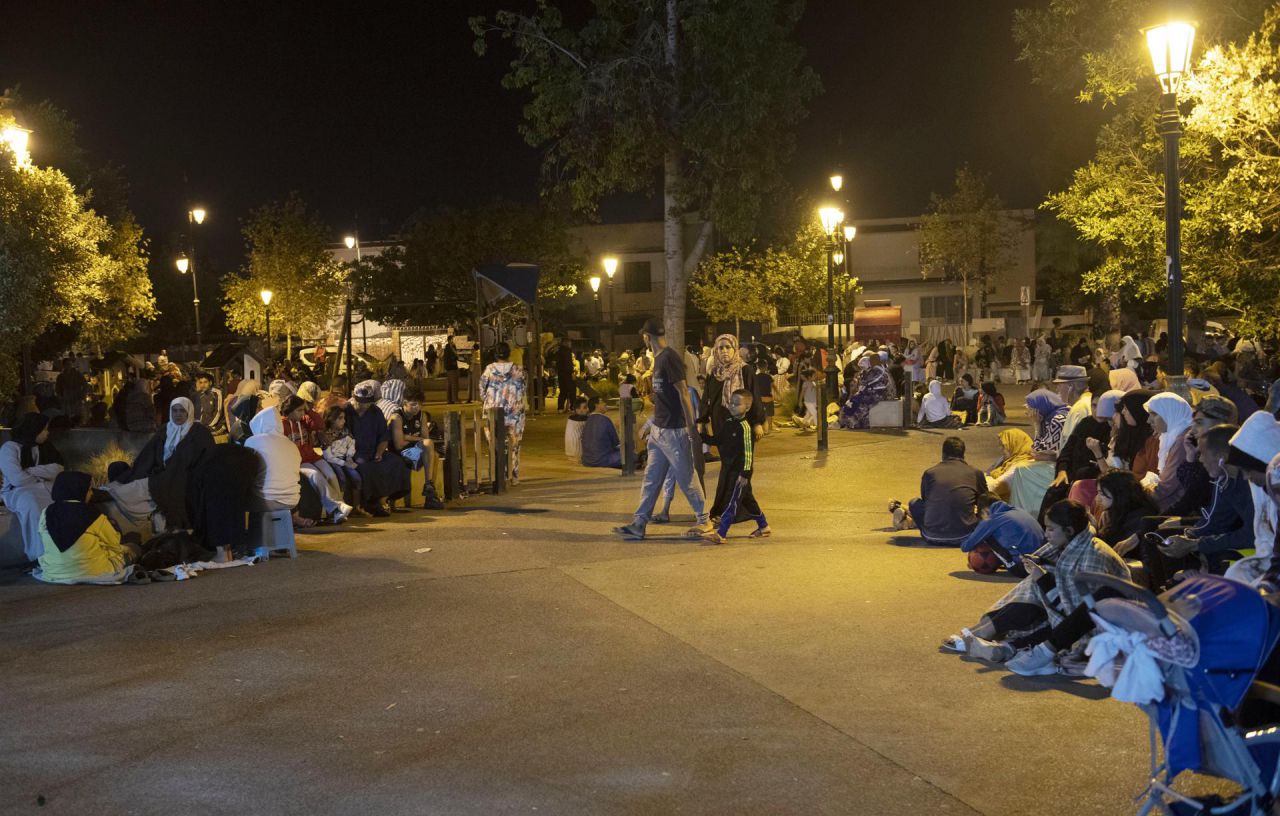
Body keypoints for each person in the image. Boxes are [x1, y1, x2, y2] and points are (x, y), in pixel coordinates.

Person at [946, 499, 1130, 676]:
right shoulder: (1072, 543)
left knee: (1039, 589)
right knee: (1035, 586)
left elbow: (1079, 618)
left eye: (1051, 529)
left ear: (1069, 530)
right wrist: (1040, 574)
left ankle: (1002, 642)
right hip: (1075, 613)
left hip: (1099, 626)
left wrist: (1042, 579)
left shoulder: (1093, 556)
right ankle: (989, 633)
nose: (1046, 534)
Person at [612, 318, 710, 541]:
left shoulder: (669, 357)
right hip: (659, 429)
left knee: (686, 477)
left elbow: (683, 392)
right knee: (651, 478)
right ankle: (639, 523)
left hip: (674, 430)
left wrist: (691, 427)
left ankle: (704, 520)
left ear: (647, 337)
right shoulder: (659, 359)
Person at [116, 397, 216, 532]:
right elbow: (149, 454)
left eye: (182, 411)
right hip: (162, 473)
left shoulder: (199, 432)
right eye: (174, 410)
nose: (178, 414)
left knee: (159, 489)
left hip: (186, 477)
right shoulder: (165, 429)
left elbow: (205, 460)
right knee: (127, 484)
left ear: (189, 412)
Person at [34, 471, 139, 584]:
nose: (91, 493)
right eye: (89, 490)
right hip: (95, 571)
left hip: (53, 572)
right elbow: (114, 544)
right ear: (79, 490)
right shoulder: (92, 514)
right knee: (133, 547)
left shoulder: (46, 512)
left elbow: (43, 542)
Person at [701, 389, 770, 544]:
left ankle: (721, 534)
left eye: (737, 404)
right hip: (730, 470)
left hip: (740, 472)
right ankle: (764, 527)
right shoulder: (729, 422)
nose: (732, 406)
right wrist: (701, 437)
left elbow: (748, 454)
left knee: (732, 502)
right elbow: (718, 440)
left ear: (747, 407)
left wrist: (745, 474)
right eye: (731, 403)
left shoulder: (745, 428)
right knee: (747, 500)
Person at [889, 437, 985, 545]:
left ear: (943, 454)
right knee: (986, 510)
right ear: (963, 455)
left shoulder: (930, 473)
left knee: (914, 503)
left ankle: (909, 518)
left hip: (932, 536)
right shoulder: (976, 473)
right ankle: (908, 519)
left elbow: (927, 502)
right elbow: (987, 502)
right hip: (966, 536)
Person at [0, 413, 65, 560]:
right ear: (34, 429)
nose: (47, 433)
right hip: (17, 492)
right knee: (32, 505)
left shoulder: (44, 447)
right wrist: (41, 475)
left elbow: (58, 469)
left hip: (42, 487)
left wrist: (29, 471)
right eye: (44, 429)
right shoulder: (9, 449)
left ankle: (58, 553)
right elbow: (17, 479)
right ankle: (38, 555)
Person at [282, 395, 352, 523]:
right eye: (299, 410)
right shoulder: (282, 424)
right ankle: (337, 508)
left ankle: (337, 511)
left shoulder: (304, 420)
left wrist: (308, 410)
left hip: (312, 457)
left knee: (331, 475)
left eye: (303, 410)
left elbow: (320, 425)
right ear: (290, 410)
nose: (302, 413)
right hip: (298, 460)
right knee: (316, 475)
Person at [997, 390, 1068, 516]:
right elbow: (1038, 450)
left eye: (1030, 409)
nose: (1028, 413)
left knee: (1020, 470)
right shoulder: (1049, 417)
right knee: (1021, 468)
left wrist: (1036, 425)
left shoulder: (1058, 419)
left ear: (1039, 407)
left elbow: (1040, 450)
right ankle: (1022, 510)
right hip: (1054, 461)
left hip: (1062, 466)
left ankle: (1022, 512)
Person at [346, 381, 411, 516]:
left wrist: (379, 453)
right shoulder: (347, 411)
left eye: (367, 402)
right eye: (361, 402)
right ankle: (369, 503)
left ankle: (385, 500)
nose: (364, 405)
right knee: (365, 468)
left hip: (373, 451)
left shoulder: (375, 412)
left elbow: (383, 437)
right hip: (353, 453)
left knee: (397, 463)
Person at [244, 404, 304, 524]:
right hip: (292, 501)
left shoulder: (253, 441)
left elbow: (246, 470)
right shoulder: (291, 444)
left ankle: (236, 533)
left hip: (265, 500)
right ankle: (293, 519)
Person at [479, 342, 528, 483]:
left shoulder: (489, 370)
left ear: (495, 354)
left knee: (494, 444)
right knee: (514, 445)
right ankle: (513, 476)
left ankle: (498, 475)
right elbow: (523, 390)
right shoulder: (518, 370)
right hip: (514, 414)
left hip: (493, 413)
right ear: (509, 354)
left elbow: (482, 392)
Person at [960, 492, 1044, 573]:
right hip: (1043, 563)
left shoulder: (991, 520)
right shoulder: (1019, 511)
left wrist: (975, 559)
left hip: (1023, 568)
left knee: (987, 537)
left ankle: (1002, 563)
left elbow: (965, 546)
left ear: (984, 511)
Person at [700, 334, 763, 438]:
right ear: (716, 351)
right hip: (719, 423)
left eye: (728, 347)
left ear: (735, 349)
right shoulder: (713, 373)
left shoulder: (745, 370)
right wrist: (703, 419)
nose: (724, 351)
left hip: (742, 422)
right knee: (723, 448)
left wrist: (757, 423)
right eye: (720, 348)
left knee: (741, 448)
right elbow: (706, 398)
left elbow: (754, 396)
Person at [1144, 392, 1195, 513]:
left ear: (1170, 413)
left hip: (1176, 506)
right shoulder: (1174, 435)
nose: (1148, 420)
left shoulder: (1183, 441)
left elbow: (1167, 486)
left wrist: (1139, 498)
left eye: (1154, 414)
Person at [321, 406, 364, 513]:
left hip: (345, 459)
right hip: (333, 461)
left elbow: (351, 444)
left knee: (357, 477)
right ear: (331, 419)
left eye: (344, 418)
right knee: (341, 478)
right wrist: (345, 463)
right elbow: (328, 457)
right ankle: (341, 507)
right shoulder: (326, 435)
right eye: (340, 418)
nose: (344, 421)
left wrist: (349, 457)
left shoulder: (345, 431)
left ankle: (356, 507)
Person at [838, 355, 890, 430]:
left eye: (862, 367)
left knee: (861, 403)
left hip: (877, 394)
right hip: (867, 393)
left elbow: (877, 385)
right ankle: (849, 422)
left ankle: (855, 423)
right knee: (851, 402)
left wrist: (863, 390)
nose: (861, 369)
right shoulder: (864, 372)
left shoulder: (877, 371)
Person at [581, 398, 623, 469]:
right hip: (603, 460)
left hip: (587, 461)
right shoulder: (605, 419)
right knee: (630, 455)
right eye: (602, 402)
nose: (605, 404)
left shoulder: (587, 421)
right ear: (596, 405)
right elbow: (616, 443)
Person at [443, 337, 460, 404]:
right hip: (452, 367)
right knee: (454, 384)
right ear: (450, 340)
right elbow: (455, 356)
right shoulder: (449, 348)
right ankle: (454, 399)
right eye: (453, 339)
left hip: (450, 368)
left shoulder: (449, 347)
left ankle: (450, 399)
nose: (454, 341)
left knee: (450, 384)